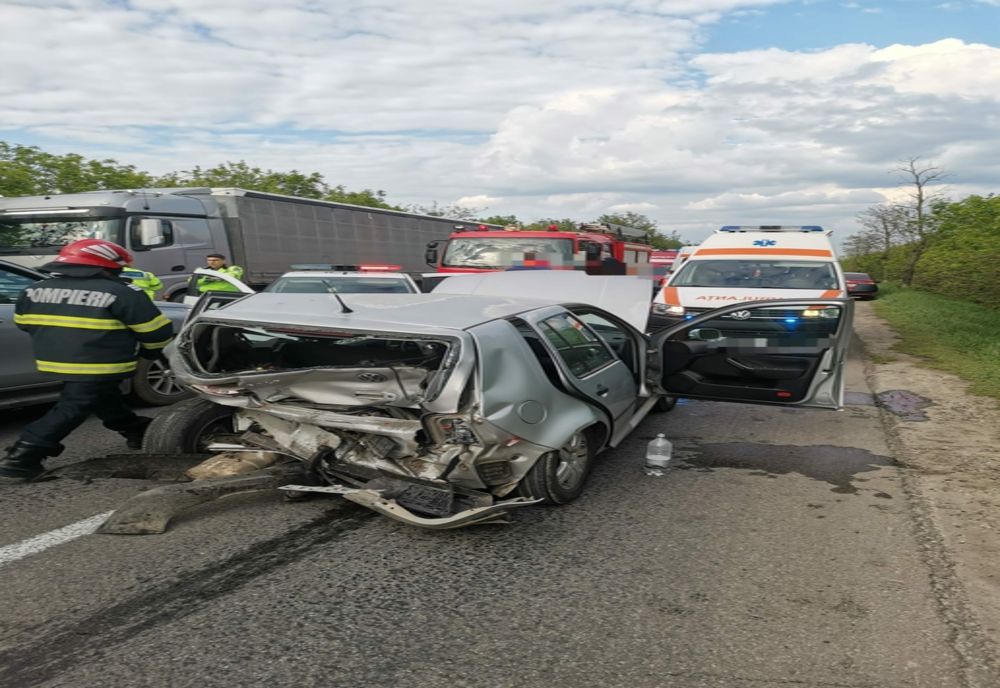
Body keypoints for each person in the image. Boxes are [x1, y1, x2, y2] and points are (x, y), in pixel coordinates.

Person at [0, 239, 175, 482]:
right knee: (74, 406)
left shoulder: (34, 289)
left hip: (54, 361)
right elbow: (156, 332)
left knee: (103, 398)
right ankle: (23, 457)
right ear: (107, 266)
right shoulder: (121, 292)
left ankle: (136, 430)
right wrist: (151, 353)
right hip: (101, 362)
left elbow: (23, 323)